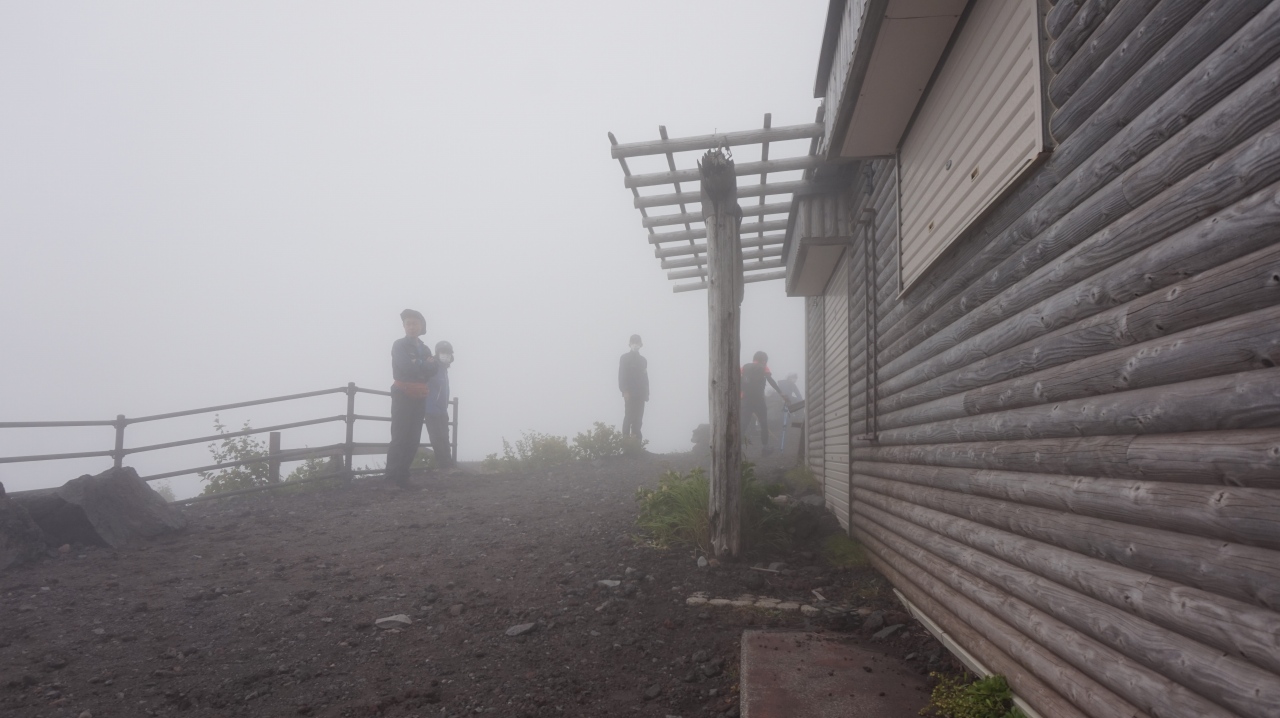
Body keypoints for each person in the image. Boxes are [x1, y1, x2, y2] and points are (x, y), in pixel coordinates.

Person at [385, 309, 437, 487]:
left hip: (419, 394)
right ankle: (391, 478)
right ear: (404, 326)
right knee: (399, 436)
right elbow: (406, 367)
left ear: (421, 326)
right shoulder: (398, 345)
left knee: (413, 437)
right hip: (402, 394)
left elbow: (434, 370)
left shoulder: (426, 348)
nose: (411, 327)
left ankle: (403, 476)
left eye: (414, 323)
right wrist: (424, 365)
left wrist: (418, 364)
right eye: (408, 323)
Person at [741, 351, 784, 456]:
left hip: (746, 400)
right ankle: (765, 449)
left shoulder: (744, 367)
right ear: (764, 360)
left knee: (743, 424)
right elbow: (770, 380)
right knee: (764, 424)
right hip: (759, 400)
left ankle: (735, 447)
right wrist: (781, 393)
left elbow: (739, 381)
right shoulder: (763, 367)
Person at [424, 340, 455, 470]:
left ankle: (447, 465)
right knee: (438, 437)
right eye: (443, 352)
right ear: (437, 353)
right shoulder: (434, 366)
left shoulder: (443, 369)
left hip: (442, 410)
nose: (445, 355)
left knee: (444, 437)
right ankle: (444, 466)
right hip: (432, 409)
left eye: (448, 352)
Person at [618, 334, 649, 442]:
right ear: (629, 344)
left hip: (641, 394)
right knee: (629, 418)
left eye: (637, 342)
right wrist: (625, 390)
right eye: (633, 342)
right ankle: (626, 444)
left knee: (638, 419)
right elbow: (622, 375)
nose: (635, 344)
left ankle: (637, 444)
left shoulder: (643, 360)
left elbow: (645, 377)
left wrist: (646, 394)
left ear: (641, 344)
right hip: (629, 394)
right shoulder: (624, 358)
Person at [774, 372, 804, 452]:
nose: (795, 380)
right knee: (799, 404)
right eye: (794, 378)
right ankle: (798, 418)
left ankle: (793, 419)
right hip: (785, 401)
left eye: (795, 379)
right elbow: (798, 395)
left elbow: (798, 394)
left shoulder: (782, 383)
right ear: (790, 378)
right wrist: (801, 401)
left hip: (783, 401)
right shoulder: (788, 384)